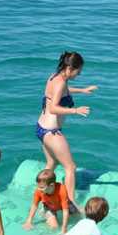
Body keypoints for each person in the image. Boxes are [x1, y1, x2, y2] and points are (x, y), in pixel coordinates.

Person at [36, 51, 98, 208]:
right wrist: (75, 110)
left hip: (41, 128)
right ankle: (69, 203)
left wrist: (83, 90)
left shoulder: (54, 77)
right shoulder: (60, 83)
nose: (79, 74)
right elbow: (54, 108)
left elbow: (63, 91)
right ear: (70, 68)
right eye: (79, 71)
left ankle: (43, 196)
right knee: (70, 167)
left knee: (51, 163)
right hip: (52, 131)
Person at [22, 169, 77, 235]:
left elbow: (65, 210)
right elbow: (34, 205)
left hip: (62, 204)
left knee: (77, 216)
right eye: (38, 186)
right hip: (49, 206)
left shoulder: (61, 190)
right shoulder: (38, 191)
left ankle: (79, 208)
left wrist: (64, 228)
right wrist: (29, 221)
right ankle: (44, 212)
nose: (39, 189)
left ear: (51, 185)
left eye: (42, 187)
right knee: (54, 227)